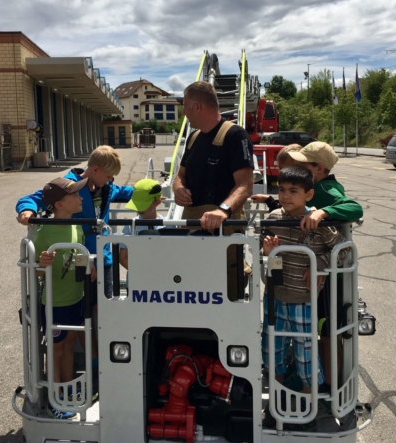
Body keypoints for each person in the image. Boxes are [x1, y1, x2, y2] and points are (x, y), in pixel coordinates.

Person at [261, 166, 349, 404]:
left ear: (308, 195)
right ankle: (278, 398)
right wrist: (268, 251)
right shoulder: (273, 219)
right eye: (281, 190)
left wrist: (319, 263)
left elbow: (343, 250)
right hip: (274, 297)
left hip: (303, 301)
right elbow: (265, 254)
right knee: (272, 346)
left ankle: (309, 401)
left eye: (293, 191)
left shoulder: (317, 223)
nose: (286, 196)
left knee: (305, 352)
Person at [16, 145, 134, 304]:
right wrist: (27, 210)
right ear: (96, 169)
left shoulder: (106, 187)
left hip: (103, 258)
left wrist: (152, 191)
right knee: (78, 305)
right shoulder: (69, 186)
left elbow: (126, 192)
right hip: (76, 259)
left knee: (104, 306)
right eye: (108, 176)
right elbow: (34, 198)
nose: (110, 180)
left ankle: (98, 329)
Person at [173, 81, 254, 301]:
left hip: (224, 230)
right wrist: (178, 188)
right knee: (193, 285)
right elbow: (180, 176)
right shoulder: (193, 138)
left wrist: (223, 211)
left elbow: (246, 185)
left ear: (197, 106)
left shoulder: (235, 136)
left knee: (227, 289)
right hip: (192, 226)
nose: (184, 113)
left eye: (186, 106)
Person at [34, 177, 97, 419]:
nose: (81, 198)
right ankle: (55, 400)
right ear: (59, 204)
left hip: (75, 297)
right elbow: (35, 270)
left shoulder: (76, 225)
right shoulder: (44, 230)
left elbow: (78, 255)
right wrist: (41, 263)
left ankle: (68, 390)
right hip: (55, 302)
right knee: (56, 350)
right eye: (75, 196)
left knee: (71, 344)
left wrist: (88, 267)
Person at [119, 178, 166, 275]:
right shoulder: (130, 226)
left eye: (143, 204)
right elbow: (123, 257)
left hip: (162, 281)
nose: (139, 209)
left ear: (157, 202)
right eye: (137, 204)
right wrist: (141, 274)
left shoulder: (168, 226)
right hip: (136, 282)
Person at [251, 144, 303, 210]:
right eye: (281, 168)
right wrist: (268, 200)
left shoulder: (305, 187)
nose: (283, 172)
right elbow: (282, 209)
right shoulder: (284, 183)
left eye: (289, 169)